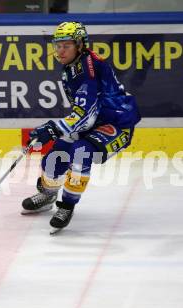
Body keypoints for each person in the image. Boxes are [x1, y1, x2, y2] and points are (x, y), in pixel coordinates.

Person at [21, 22, 141, 230]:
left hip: (117, 123)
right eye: (58, 45)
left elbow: (86, 114)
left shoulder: (88, 69)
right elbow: (85, 114)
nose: (60, 50)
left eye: (66, 45)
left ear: (80, 44)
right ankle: (48, 195)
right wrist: (56, 129)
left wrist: (53, 127)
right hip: (95, 120)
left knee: (80, 153)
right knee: (55, 156)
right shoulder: (74, 65)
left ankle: (67, 205)